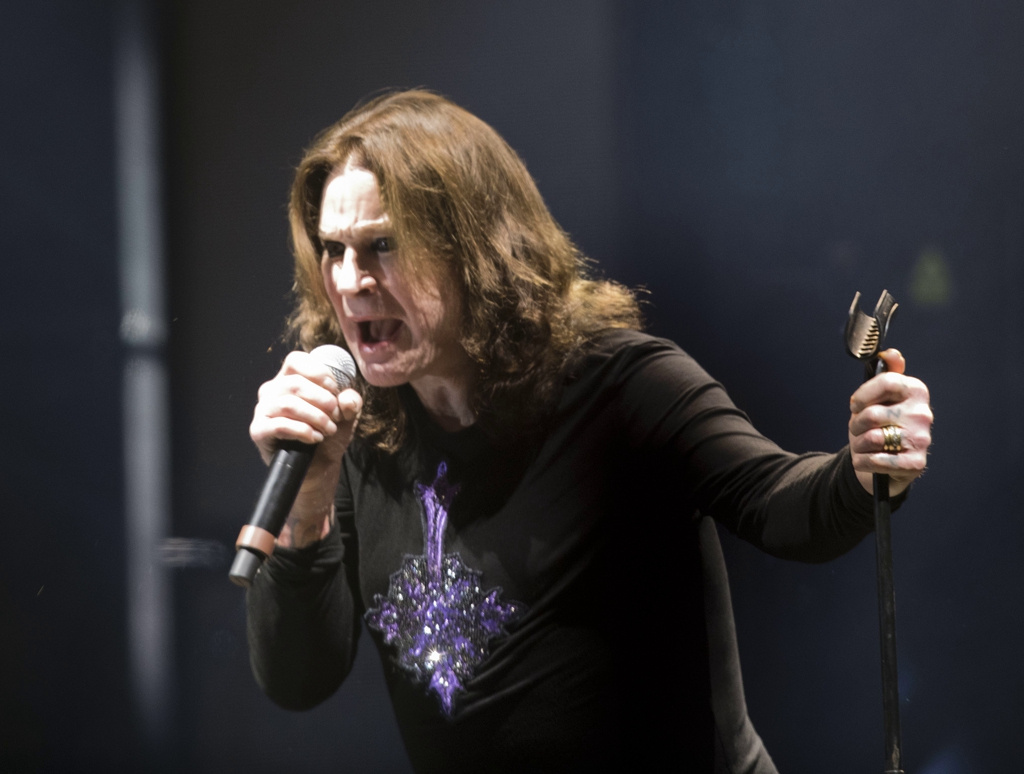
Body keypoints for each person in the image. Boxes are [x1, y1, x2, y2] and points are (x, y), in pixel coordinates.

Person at [245, 89, 932, 773]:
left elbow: (784, 506)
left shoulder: (620, 386)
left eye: (383, 245)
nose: (351, 281)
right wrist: (307, 503)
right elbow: (299, 679)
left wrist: (866, 465)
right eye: (333, 250)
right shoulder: (358, 430)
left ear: (471, 247)